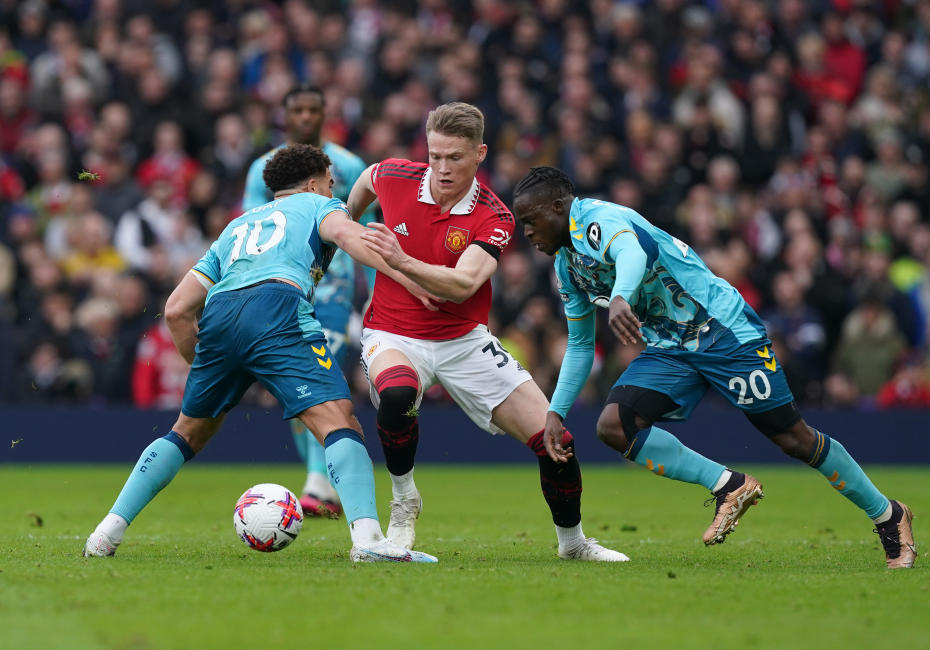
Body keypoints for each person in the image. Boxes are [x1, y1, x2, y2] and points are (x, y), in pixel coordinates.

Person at [511, 166, 917, 569]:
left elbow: (631, 253)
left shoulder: (599, 220)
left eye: (531, 221)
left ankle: (888, 515)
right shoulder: (567, 267)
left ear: (559, 206)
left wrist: (620, 298)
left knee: (794, 438)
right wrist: (556, 412)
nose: (526, 232)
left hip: (722, 330)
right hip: (671, 346)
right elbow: (581, 343)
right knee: (614, 425)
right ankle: (730, 486)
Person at [83, 144, 437, 563]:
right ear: (312, 182)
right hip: (277, 308)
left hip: (219, 315)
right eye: (329, 181)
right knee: (338, 421)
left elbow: (177, 310)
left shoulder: (237, 227)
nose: (334, 189)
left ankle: (105, 533)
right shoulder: (320, 205)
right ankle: (369, 542)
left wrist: (205, 368)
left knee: (186, 432)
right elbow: (350, 236)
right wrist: (410, 275)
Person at [349, 102, 627, 562]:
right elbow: (361, 187)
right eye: (434, 155)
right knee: (397, 395)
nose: (441, 168)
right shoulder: (395, 177)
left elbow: (462, 285)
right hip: (393, 334)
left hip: (464, 340)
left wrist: (400, 262)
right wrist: (350, 226)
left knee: (554, 440)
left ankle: (573, 543)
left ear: (479, 154)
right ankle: (403, 501)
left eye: (454, 158)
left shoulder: (494, 215)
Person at [243, 84, 374, 518]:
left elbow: (364, 231)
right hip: (283, 291)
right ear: (284, 115)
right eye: (296, 109)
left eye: (312, 109)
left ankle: (318, 485)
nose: (304, 116)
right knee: (297, 393)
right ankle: (326, 483)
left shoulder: (350, 165)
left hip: (332, 289)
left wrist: (375, 292)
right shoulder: (263, 169)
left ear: (324, 113)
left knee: (323, 375)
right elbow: (251, 229)